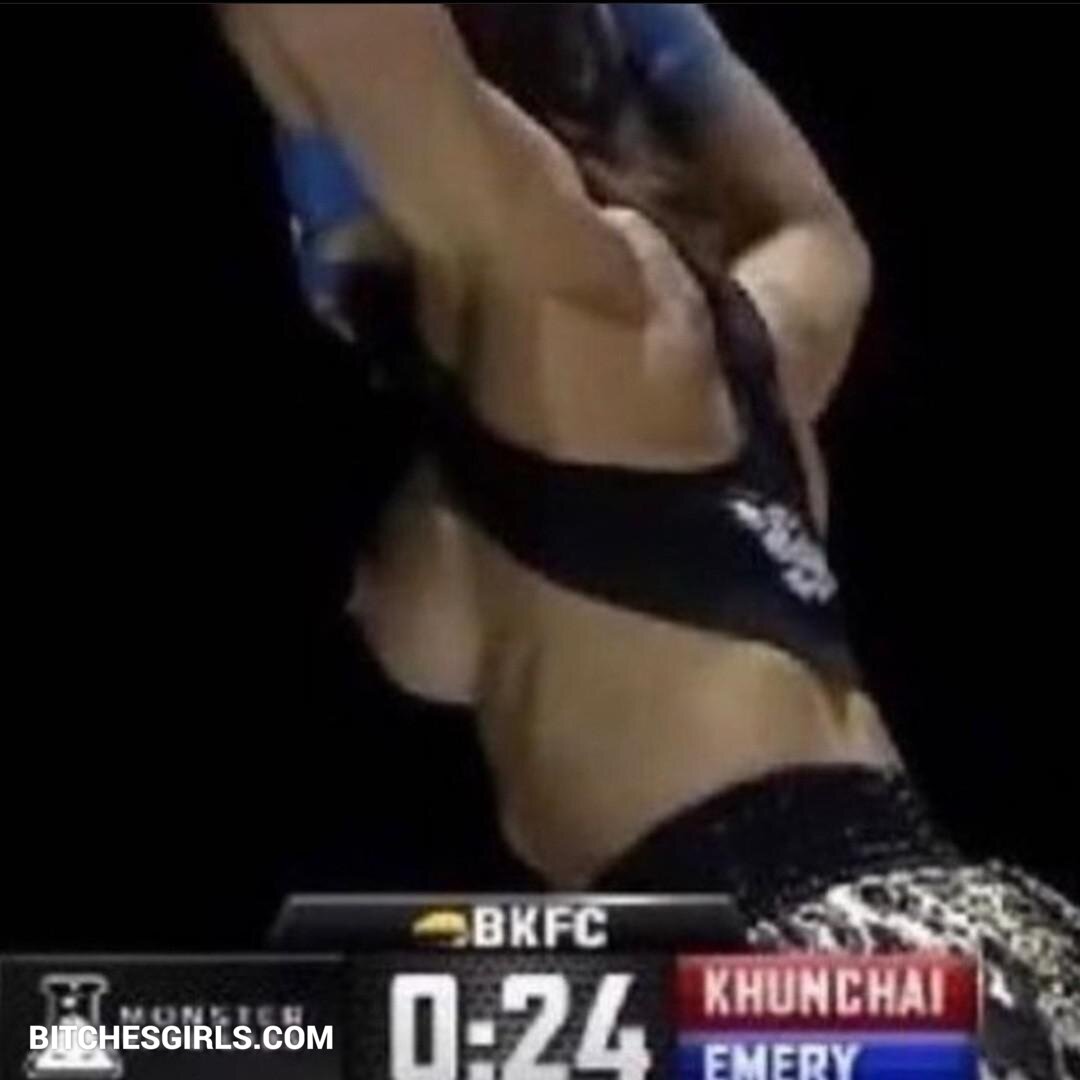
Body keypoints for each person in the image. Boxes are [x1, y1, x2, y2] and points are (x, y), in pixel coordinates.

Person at [221, 6, 1080, 1075]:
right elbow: (822, 238)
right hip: (895, 961)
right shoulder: (709, 367)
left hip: (809, 967)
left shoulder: (583, 304)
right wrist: (675, 38)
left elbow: (344, 39)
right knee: (184, 1030)